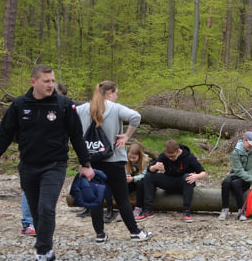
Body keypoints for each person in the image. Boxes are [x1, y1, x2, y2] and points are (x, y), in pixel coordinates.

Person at [0, 65, 94, 261]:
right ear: (33, 82)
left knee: (46, 208)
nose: (51, 85)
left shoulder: (64, 105)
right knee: (36, 212)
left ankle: (41, 254)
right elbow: (4, 134)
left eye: (52, 81)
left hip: (54, 165)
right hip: (28, 166)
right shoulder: (19, 105)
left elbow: (77, 136)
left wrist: (85, 164)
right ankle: (49, 249)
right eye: (46, 81)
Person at [76, 81, 151, 242]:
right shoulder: (115, 108)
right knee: (122, 197)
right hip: (114, 160)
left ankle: (100, 235)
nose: (117, 97)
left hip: (91, 161)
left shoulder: (82, 109)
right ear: (110, 93)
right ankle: (135, 232)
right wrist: (126, 136)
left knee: (96, 198)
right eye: (116, 93)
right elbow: (135, 117)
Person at [20, 81, 70, 235]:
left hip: (54, 161)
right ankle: (29, 222)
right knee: (31, 193)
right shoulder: (27, 106)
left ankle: (42, 229)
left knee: (46, 199)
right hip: (33, 160)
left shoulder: (63, 108)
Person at [136, 139, 207, 223]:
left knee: (188, 177)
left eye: (173, 156)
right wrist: (155, 167)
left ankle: (187, 211)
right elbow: (149, 169)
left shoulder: (189, 157)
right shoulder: (163, 156)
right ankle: (148, 210)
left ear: (178, 151)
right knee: (149, 176)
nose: (171, 158)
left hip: (183, 183)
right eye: (169, 156)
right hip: (169, 181)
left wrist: (196, 176)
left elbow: (203, 173)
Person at [219, 131, 252, 221]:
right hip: (236, 174)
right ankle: (225, 209)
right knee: (226, 183)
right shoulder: (236, 152)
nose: (251, 146)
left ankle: (241, 211)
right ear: (244, 140)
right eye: (249, 144)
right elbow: (238, 171)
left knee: (236, 184)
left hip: (246, 179)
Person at [127, 142, 148, 216]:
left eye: (134, 158)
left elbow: (144, 175)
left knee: (140, 184)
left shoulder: (145, 161)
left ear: (140, 155)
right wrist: (127, 177)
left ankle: (138, 207)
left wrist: (133, 178)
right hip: (132, 180)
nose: (131, 160)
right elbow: (126, 171)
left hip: (141, 181)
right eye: (130, 157)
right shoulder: (127, 161)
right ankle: (125, 207)